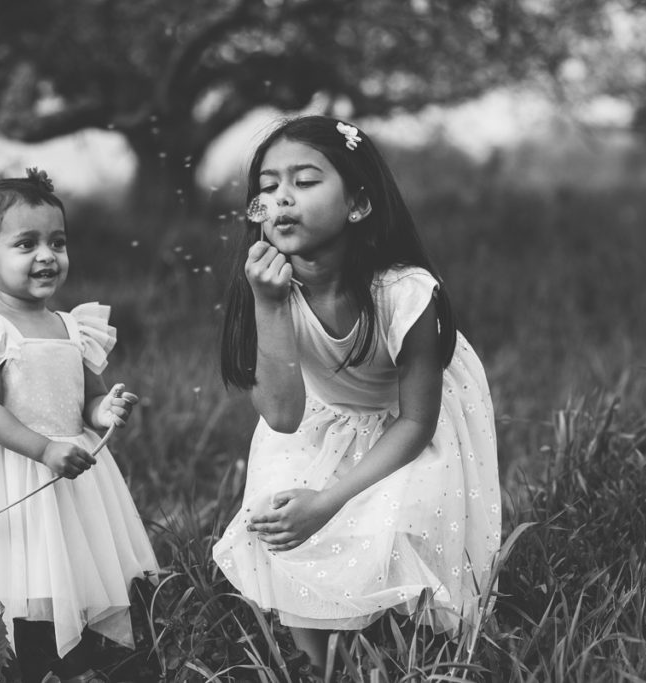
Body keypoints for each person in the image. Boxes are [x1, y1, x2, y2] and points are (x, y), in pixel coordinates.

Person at [213, 116, 502, 673]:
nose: (281, 198)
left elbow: (416, 424)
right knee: (280, 519)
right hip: (320, 417)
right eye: (268, 187)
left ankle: (411, 653)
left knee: (394, 519)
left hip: (413, 423)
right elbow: (280, 414)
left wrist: (329, 501)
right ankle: (323, 667)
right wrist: (269, 306)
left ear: (358, 204)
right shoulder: (266, 287)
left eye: (305, 180)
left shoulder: (405, 292)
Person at [0, 169, 158, 683]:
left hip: (66, 467)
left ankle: (70, 650)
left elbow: (88, 404)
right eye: (26, 244)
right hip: (9, 462)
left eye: (57, 242)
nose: (47, 256)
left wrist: (107, 412)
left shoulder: (73, 326)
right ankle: (19, 652)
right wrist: (44, 450)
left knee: (67, 554)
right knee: (17, 562)